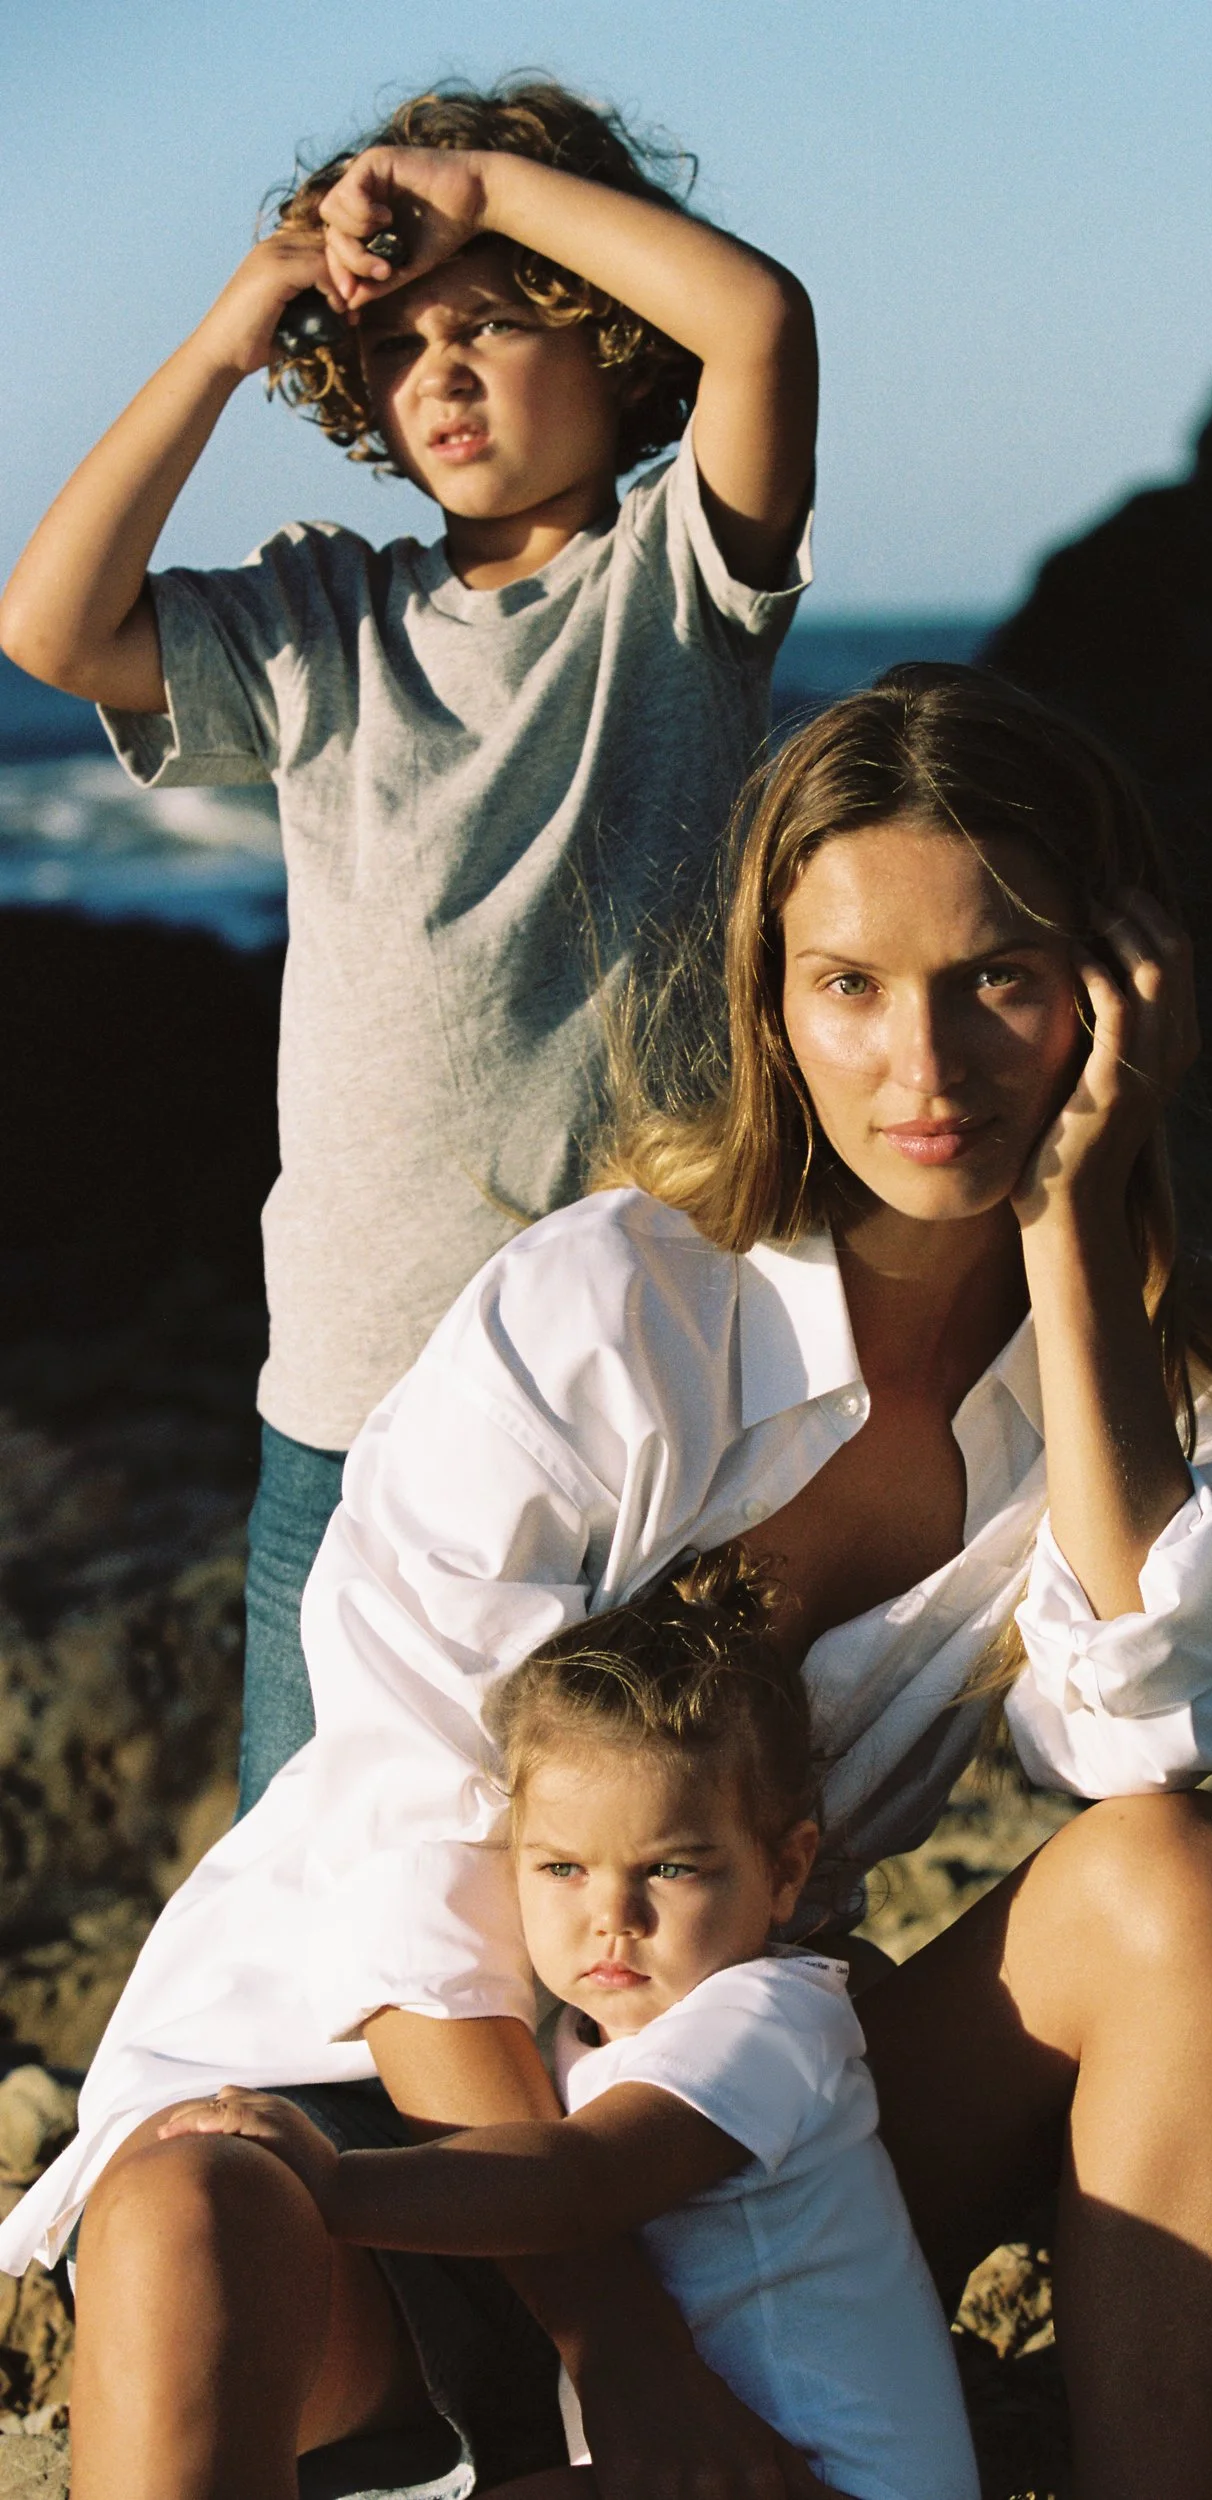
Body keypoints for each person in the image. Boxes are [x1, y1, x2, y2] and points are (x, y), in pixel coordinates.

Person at [10, 669, 1212, 2500]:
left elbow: (1159, 1729)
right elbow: (419, 1892)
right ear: (772, 1001)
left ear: (1120, 996)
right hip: (386, 2111)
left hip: (706, 2122)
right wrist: (633, 2368)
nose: (928, 1066)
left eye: (1001, 978)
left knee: (1186, 1887)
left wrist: (1074, 1217)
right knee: (187, 2204)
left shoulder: (1153, 1387)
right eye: (853, 987)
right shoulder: (610, 1309)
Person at [0, 78, 817, 1809]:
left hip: (623, 1411)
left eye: (500, 321)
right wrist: (234, 332)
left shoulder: (672, 594)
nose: (440, 372)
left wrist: (482, 187)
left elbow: (758, 319)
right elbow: (52, 623)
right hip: (346, 1397)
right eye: (403, 340)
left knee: (613, 1886)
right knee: (328, 1886)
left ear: (613, 340)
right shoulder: (323, 619)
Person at [154, 1552, 981, 2500]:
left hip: (830, 2480)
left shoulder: (771, 2020)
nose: (613, 1916)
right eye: (562, 1869)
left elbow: (577, 2183)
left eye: (671, 1869)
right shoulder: (582, 2038)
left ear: (787, 1872)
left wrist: (334, 2184)